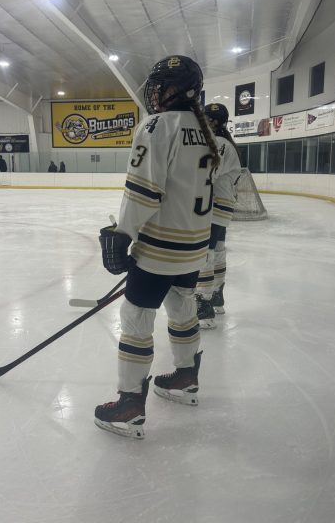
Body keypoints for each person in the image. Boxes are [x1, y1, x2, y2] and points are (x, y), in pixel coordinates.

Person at [95, 55, 220, 439]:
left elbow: (144, 192)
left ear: (178, 91)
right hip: (194, 247)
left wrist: (123, 233)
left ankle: (130, 404)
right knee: (183, 308)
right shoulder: (207, 132)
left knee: (135, 320)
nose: (155, 94)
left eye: (161, 87)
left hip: (160, 249)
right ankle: (185, 377)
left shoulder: (156, 126)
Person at [195, 104, 241, 328]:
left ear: (213, 121)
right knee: (218, 249)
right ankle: (216, 297)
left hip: (214, 206)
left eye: (206, 118)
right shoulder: (227, 143)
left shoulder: (219, 144)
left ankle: (203, 305)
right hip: (223, 206)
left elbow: (207, 174)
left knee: (206, 251)